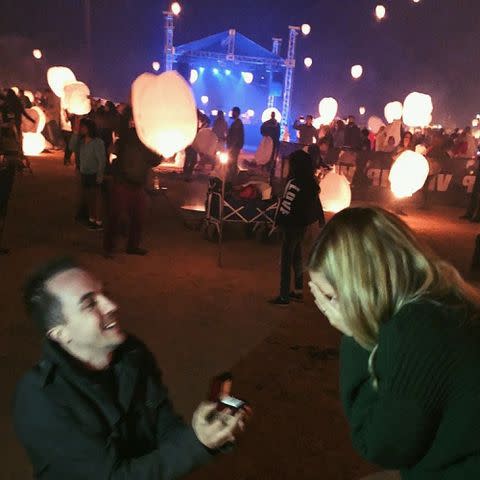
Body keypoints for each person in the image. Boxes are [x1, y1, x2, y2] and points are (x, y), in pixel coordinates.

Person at [14, 257, 248, 479]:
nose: (111, 305)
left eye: (104, 293)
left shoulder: (131, 354)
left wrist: (211, 432)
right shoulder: (41, 400)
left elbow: (163, 426)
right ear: (60, 334)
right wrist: (196, 444)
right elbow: (112, 476)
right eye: (89, 304)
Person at [308, 206, 480, 479]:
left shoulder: (417, 328)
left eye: (331, 297)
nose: (328, 309)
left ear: (359, 287)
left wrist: (354, 334)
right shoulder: (443, 297)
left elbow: (380, 446)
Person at [104, 108, 161, 257]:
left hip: (138, 185)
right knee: (115, 216)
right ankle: (109, 247)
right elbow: (122, 124)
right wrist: (133, 108)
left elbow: (154, 160)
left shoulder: (148, 143)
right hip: (122, 182)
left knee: (138, 217)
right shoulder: (126, 138)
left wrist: (163, 151)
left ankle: (132, 246)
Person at [270, 150, 324, 306]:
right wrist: (320, 220)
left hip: (291, 225)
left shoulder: (294, 183)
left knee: (286, 260)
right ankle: (298, 291)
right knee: (297, 257)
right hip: (301, 224)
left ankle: (284, 296)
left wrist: (279, 221)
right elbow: (315, 204)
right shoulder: (310, 183)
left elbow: (287, 205)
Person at [70, 117, 106, 230]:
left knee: (96, 197)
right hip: (84, 172)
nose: (81, 129)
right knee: (89, 197)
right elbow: (71, 147)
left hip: (94, 173)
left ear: (89, 128)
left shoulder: (97, 142)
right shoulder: (81, 142)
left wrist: (100, 174)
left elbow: (102, 159)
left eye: (83, 127)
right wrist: (75, 133)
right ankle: (91, 219)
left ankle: (99, 221)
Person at [226, 106, 244, 181]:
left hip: (234, 147)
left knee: (232, 162)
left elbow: (235, 137)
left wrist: (230, 147)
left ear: (236, 113)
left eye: (233, 112)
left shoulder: (237, 123)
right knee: (232, 162)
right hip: (234, 146)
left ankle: (231, 179)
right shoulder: (236, 122)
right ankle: (232, 178)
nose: (232, 113)